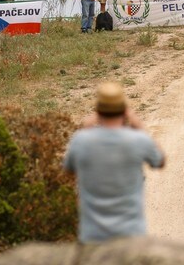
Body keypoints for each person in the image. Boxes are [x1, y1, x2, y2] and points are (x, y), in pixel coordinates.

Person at [63, 81, 165, 243]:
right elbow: (159, 160)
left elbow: (68, 169)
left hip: (92, 238)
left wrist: (83, 129)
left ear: (98, 111)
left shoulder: (81, 141)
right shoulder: (138, 140)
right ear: (124, 111)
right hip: (131, 236)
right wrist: (140, 126)